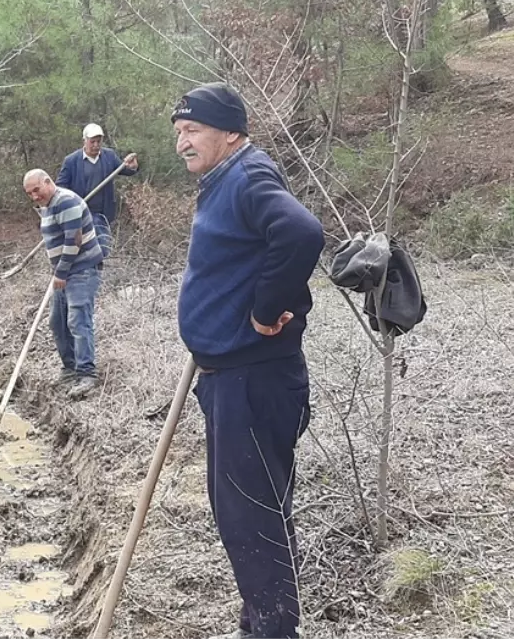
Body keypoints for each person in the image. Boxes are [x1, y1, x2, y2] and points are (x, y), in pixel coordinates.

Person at [171, 83, 324, 639]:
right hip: (233, 379)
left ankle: (273, 632)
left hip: (252, 381)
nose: (182, 143)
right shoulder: (222, 181)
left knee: (251, 523)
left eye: (193, 131)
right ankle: (258, 628)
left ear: (230, 132)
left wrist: (265, 311)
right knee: (250, 517)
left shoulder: (248, 174)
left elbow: (302, 232)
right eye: (179, 133)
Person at [22, 168, 104, 400]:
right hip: (64, 273)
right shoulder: (49, 206)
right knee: (57, 323)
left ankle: (86, 374)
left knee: (78, 321)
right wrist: (58, 272)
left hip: (81, 270)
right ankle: (69, 369)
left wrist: (60, 272)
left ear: (47, 182)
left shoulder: (65, 201)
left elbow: (73, 240)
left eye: (37, 190)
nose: (34, 196)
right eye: (30, 194)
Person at [55, 123, 138, 259]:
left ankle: (100, 271)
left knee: (103, 247)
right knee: (84, 249)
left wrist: (132, 167)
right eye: (92, 141)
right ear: (84, 141)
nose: (95, 145)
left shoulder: (109, 156)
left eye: (98, 141)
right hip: (81, 213)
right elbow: (61, 187)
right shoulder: (71, 161)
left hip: (102, 213)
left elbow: (125, 170)